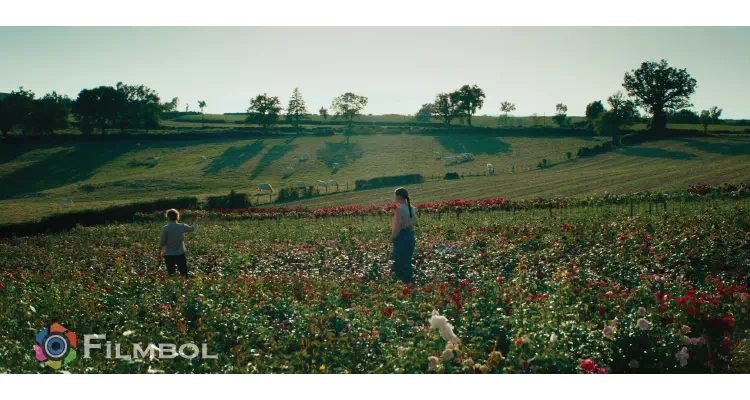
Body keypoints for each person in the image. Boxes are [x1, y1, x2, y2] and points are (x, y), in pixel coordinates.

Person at [159, 209, 199, 276]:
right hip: (180, 253)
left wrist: (159, 253)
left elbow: (162, 243)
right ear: (177, 216)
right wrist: (195, 220)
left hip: (169, 254)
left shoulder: (166, 228)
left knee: (171, 274)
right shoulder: (182, 226)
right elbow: (193, 229)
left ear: (168, 217)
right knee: (184, 273)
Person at [391, 187, 417, 283]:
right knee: (407, 261)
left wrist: (393, 237)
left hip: (401, 238)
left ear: (399, 196)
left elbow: (397, 227)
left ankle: (401, 283)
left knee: (399, 262)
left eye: (395, 196)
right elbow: (413, 224)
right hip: (410, 236)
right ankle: (409, 282)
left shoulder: (399, 210)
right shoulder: (412, 208)